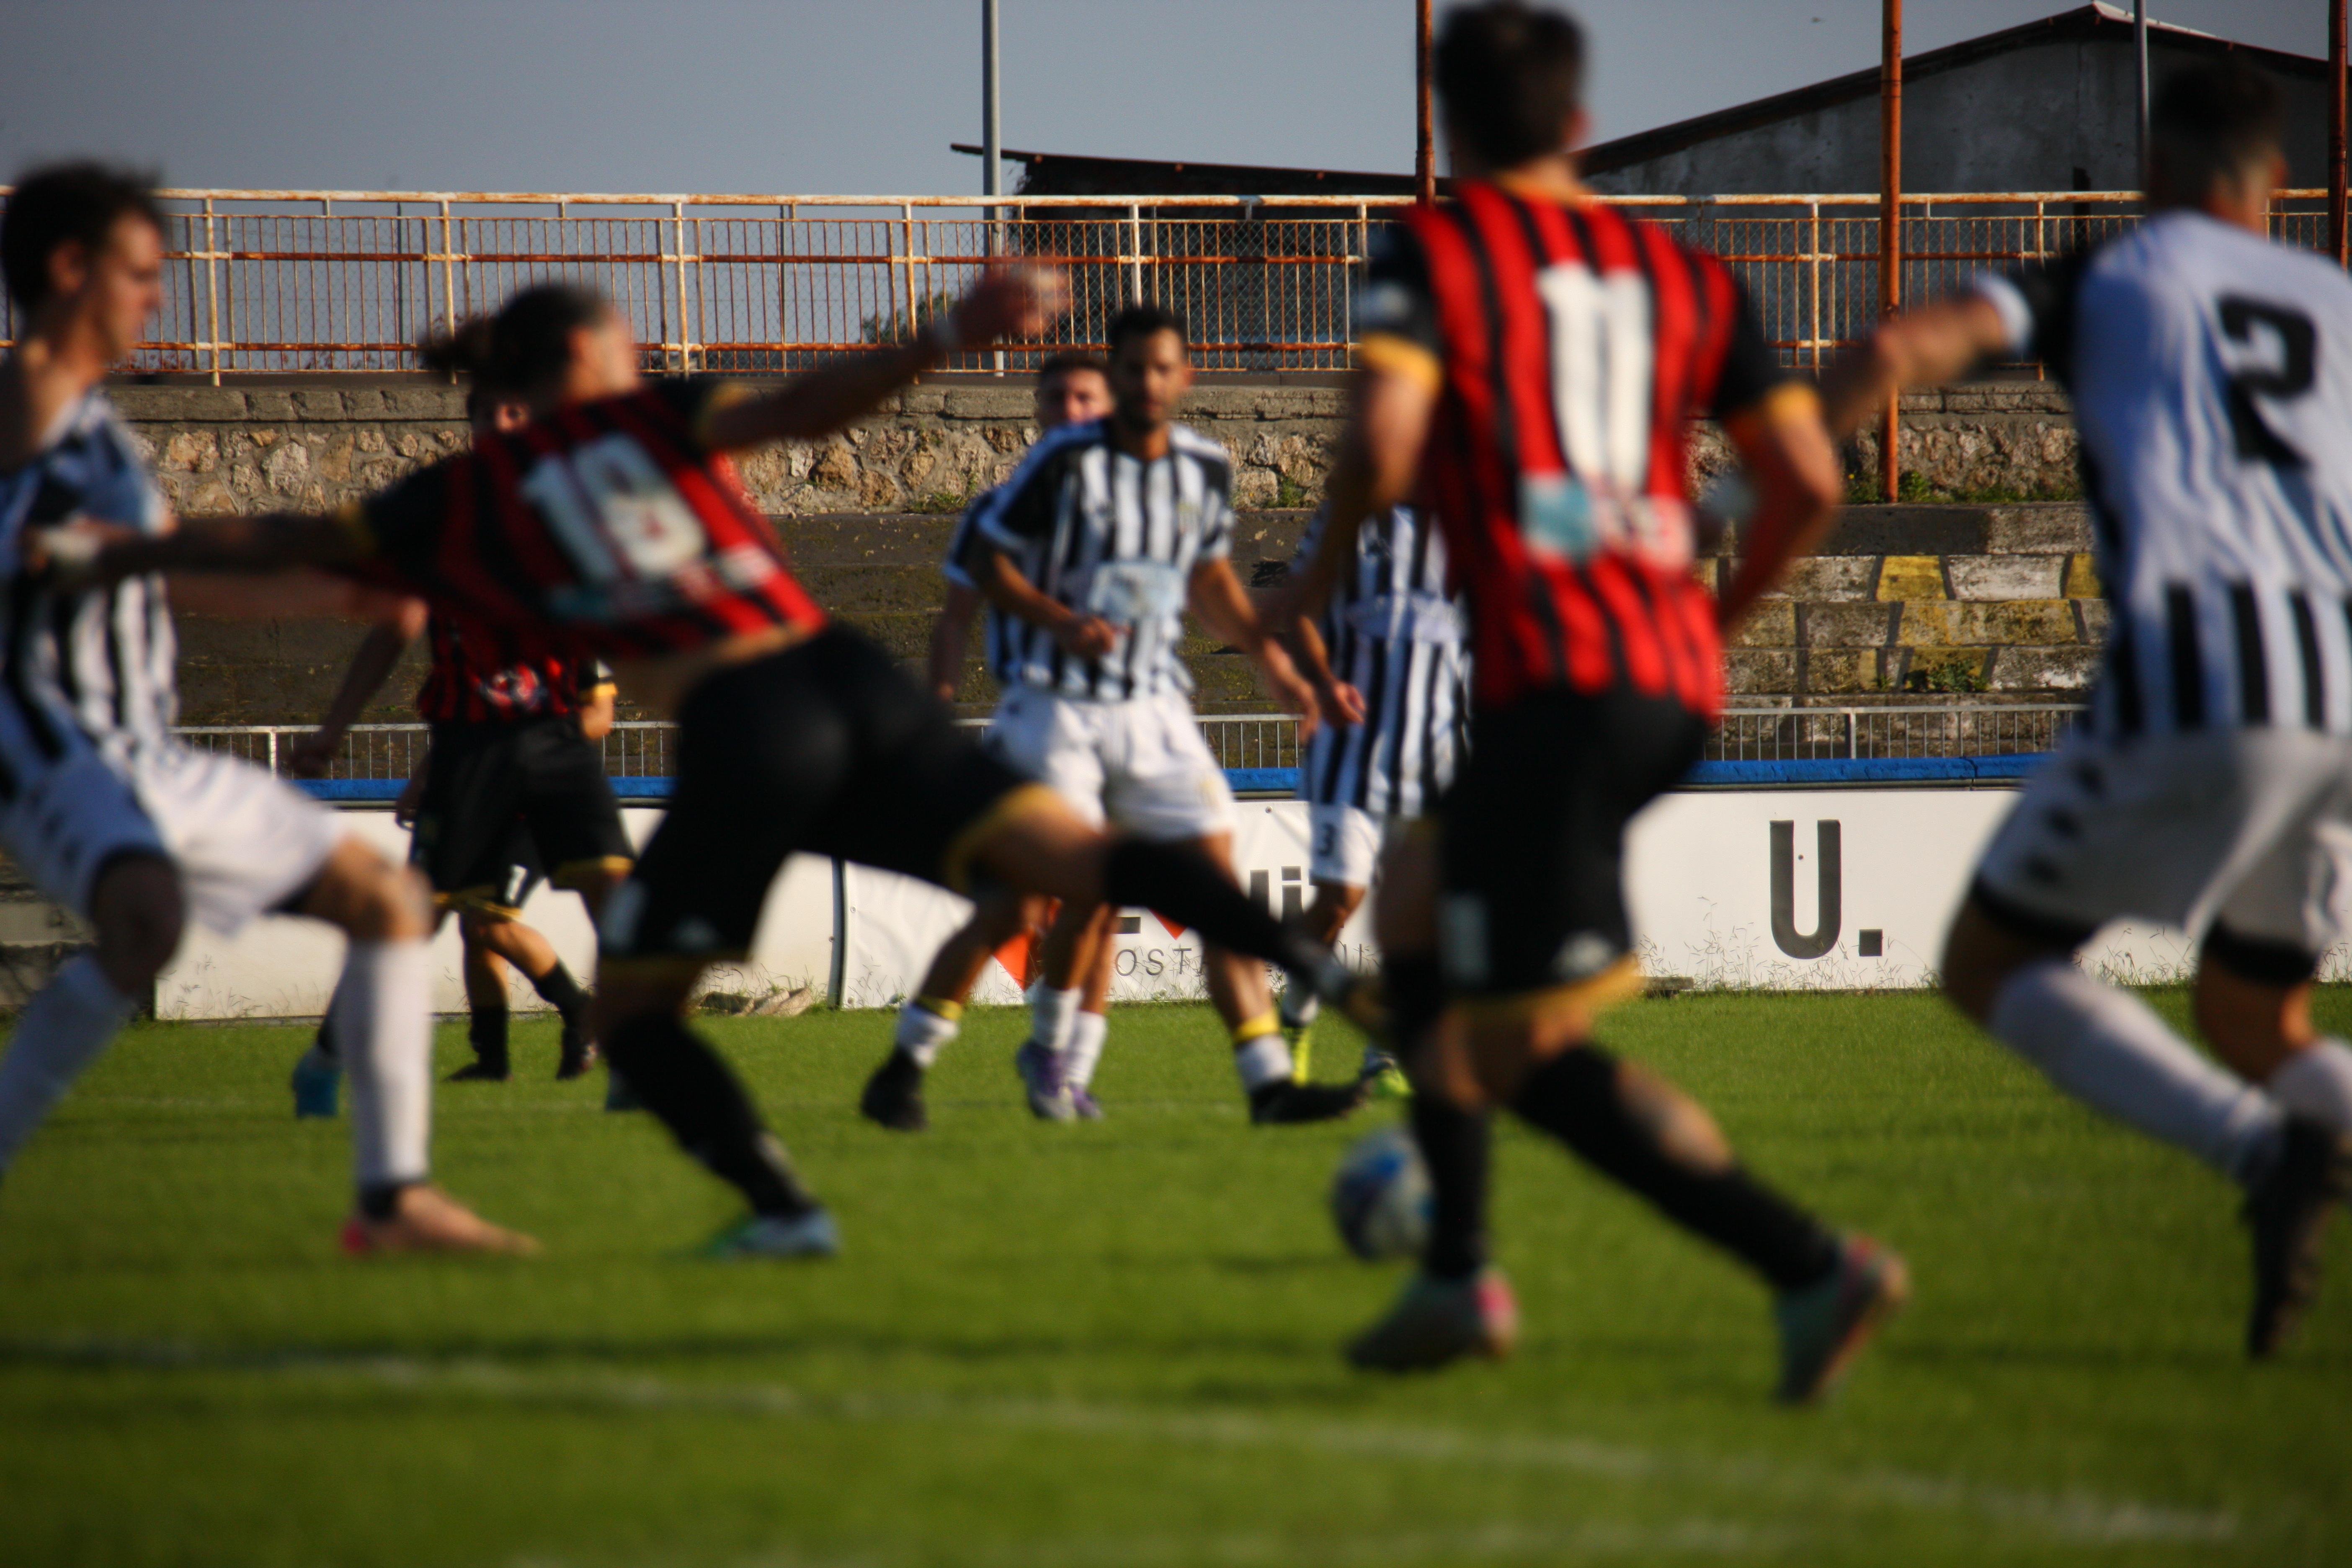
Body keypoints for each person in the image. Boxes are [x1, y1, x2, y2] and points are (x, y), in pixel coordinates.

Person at [57, 271, 1373, 1259]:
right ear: (584, 358)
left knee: (635, 1017)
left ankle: (786, 1209)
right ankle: (1335, 985)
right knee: (1082, 862)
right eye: (624, 343)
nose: (642, 354)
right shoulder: (658, 416)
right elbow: (811, 407)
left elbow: (280, 544)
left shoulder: (460, 497)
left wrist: (124, 554)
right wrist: (945, 331)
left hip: (752, 727)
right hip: (844, 672)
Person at [1284, 3, 1900, 1399]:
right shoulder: (1687, 276)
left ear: (1447, 127)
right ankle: (1462, 1269)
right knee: (1411, 905)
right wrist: (1710, 623)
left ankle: (1806, 1264)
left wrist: (1311, 576)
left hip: (1558, 686)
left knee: (1516, 1051)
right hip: (1649, 681)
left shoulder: (1435, 254)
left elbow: (1382, 441)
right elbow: (1809, 481)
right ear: (1578, 124)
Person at [1818, 59, 2352, 1359]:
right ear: (2278, 183)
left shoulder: (2113, 271)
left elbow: (1897, 348)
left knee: (1990, 964)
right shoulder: (2337, 300)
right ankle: (2295, 1132)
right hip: (2345, 685)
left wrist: (1753, 481)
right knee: (2253, 1017)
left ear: (2153, 172)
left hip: (2206, 670)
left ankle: (2259, 1149)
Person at [0, 162, 533, 1253]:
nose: (158, 298)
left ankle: (391, 1201)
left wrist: (332, 593)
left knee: (386, 901)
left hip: (146, 753)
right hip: (57, 748)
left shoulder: (94, 426)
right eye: (141, 274)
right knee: (146, 924)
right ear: (68, 269)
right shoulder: (27, 401)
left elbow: (168, 569)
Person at [959, 304, 1367, 1127]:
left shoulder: (1203, 469)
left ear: (1186, 376)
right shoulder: (1063, 467)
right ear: (1115, 377)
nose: (1147, 382)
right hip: (1060, 710)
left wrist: (1277, 668)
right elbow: (986, 565)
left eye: (1161, 368)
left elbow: (1210, 581)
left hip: (1153, 709)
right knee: (1080, 901)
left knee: (1218, 895)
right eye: (1132, 369)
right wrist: (1059, 622)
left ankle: (1267, 1083)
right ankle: (1049, 1052)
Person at [287, 374, 632, 1112]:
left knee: (620, 895)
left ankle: (633, 1061)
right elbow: (395, 628)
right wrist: (332, 730)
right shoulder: (441, 515)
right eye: (488, 412)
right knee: (412, 922)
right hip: (472, 746)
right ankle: (324, 1061)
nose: (502, 422)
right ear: (472, 425)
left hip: (556, 741)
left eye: (516, 408)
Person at [861, 352, 1113, 1132]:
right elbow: (954, 617)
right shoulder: (997, 510)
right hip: (1039, 723)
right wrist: (937, 707)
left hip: (1123, 726)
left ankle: (1064, 1072)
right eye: (1056, 397)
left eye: (1086, 397)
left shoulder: (1139, 503)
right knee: (1016, 910)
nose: (1070, 410)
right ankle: (915, 1062)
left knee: (1101, 906)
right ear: (1038, 411)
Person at [1274, 500, 1467, 1098]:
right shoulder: (1353, 517)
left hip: (1435, 758)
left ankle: (1386, 1052)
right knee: (1338, 901)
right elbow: (1298, 610)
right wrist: (1322, 682)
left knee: (1419, 914)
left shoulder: (1476, 513)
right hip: (1350, 751)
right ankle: (1294, 1024)